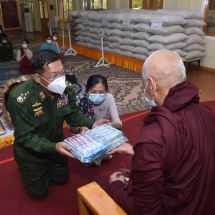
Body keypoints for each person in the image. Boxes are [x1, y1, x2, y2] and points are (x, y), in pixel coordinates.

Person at [103, 50, 215, 214]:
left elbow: (144, 211)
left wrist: (115, 186)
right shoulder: (206, 113)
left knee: (103, 182)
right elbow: (184, 154)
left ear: (152, 84)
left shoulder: (153, 136)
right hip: (206, 204)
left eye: (144, 85)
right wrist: (137, 152)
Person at [7, 49, 108, 199]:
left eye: (62, 72)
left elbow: (73, 114)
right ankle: (25, 167)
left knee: (62, 180)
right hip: (32, 154)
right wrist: (53, 147)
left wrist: (92, 124)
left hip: (56, 147)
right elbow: (26, 137)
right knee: (39, 194)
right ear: (37, 78)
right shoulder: (20, 100)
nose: (61, 79)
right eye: (54, 76)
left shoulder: (65, 89)